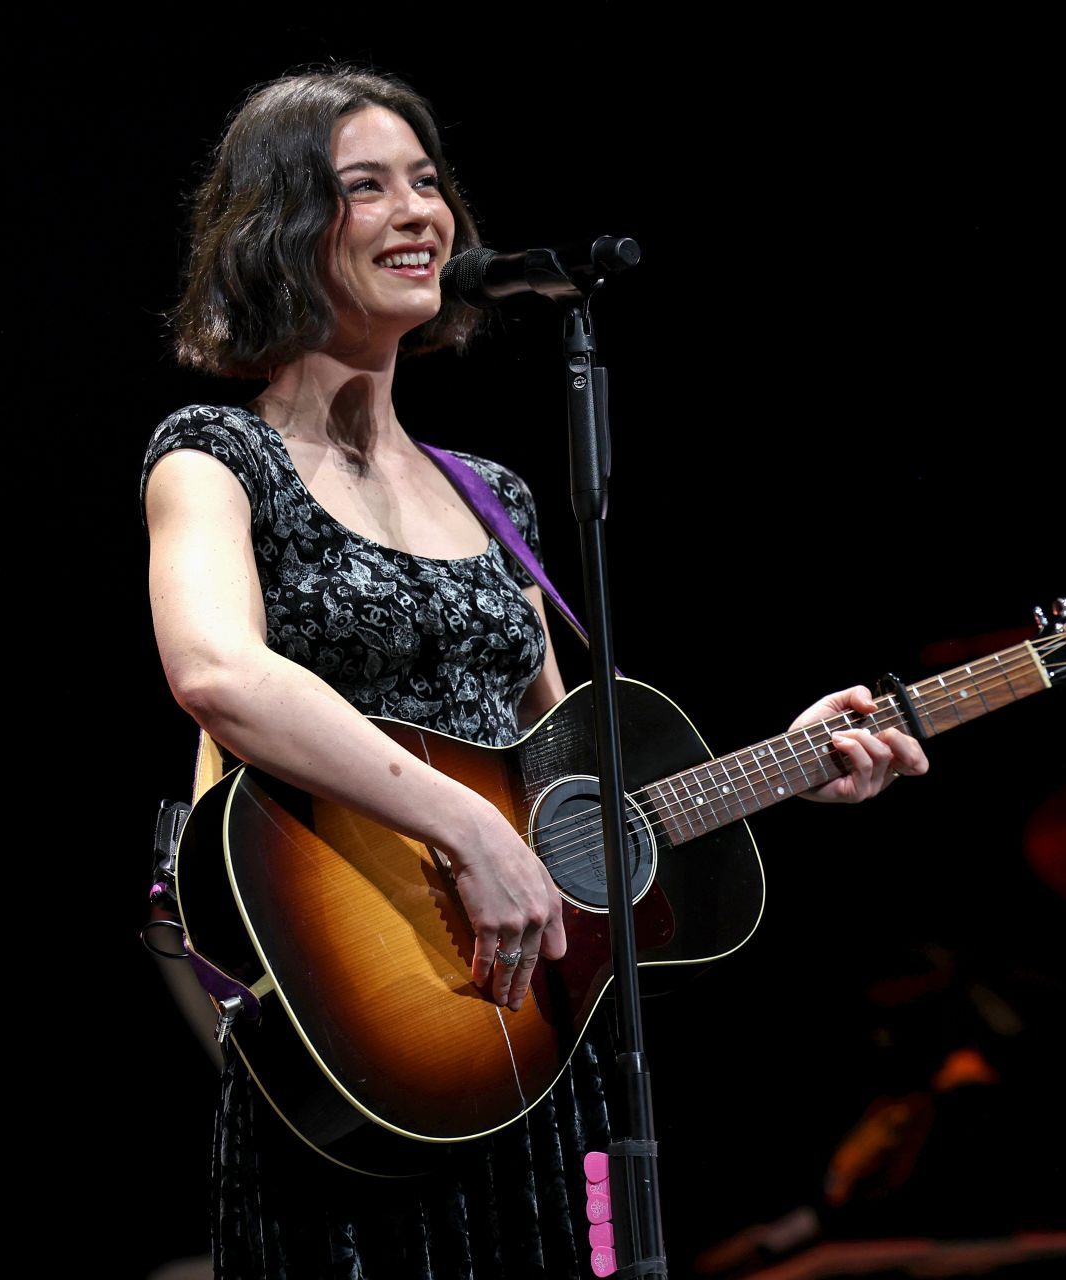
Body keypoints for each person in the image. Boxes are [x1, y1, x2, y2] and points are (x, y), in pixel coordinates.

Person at [140, 66, 929, 1278]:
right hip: (358, 1031)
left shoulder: (489, 493)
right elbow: (219, 673)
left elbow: (563, 783)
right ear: (284, 226)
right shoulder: (215, 457)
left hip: (519, 1035)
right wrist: (466, 827)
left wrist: (783, 767)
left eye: (427, 181)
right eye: (366, 187)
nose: (421, 213)